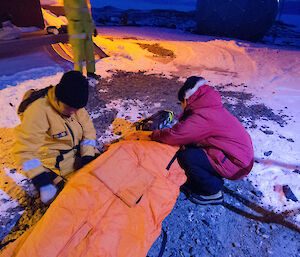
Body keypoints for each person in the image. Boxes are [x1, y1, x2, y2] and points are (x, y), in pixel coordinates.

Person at [151, 76, 254, 205]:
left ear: (187, 100)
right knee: (191, 146)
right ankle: (210, 176)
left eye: (181, 103)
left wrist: (154, 134)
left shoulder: (202, 116)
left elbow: (175, 135)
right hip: (239, 157)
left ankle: (212, 192)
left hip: (237, 165)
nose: (181, 107)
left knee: (188, 156)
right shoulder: (210, 108)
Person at [13, 71, 99, 204]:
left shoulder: (74, 104)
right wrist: (41, 181)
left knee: (104, 174)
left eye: (77, 109)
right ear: (59, 98)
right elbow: (25, 150)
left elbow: (88, 131)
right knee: (78, 198)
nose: (74, 112)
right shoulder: (38, 111)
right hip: (54, 163)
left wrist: (87, 157)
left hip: (75, 153)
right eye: (70, 108)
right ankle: (42, 180)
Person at [63, 0, 100, 80]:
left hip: (87, 30)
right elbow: (71, 14)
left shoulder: (85, 1)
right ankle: (78, 76)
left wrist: (93, 28)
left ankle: (91, 72)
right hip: (77, 30)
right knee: (78, 55)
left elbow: (88, 16)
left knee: (90, 53)